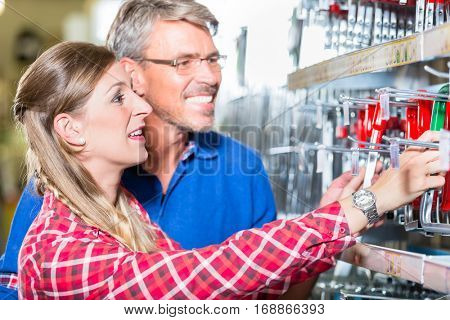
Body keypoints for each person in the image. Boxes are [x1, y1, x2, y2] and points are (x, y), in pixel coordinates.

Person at [15, 41, 446, 299]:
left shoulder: (121, 211)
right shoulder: (59, 251)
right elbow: (204, 277)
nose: (142, 107)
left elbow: (235, 289)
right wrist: (367, 204)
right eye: (118, 98)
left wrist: (334, 225)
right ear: (71, 129)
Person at [0, 0, 278, 299]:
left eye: (213, 59)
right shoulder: (60, 183)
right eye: (183, 62)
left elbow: (272, 294)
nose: (211, 77)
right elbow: (16, 293)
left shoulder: (245, 168)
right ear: (133, 75)